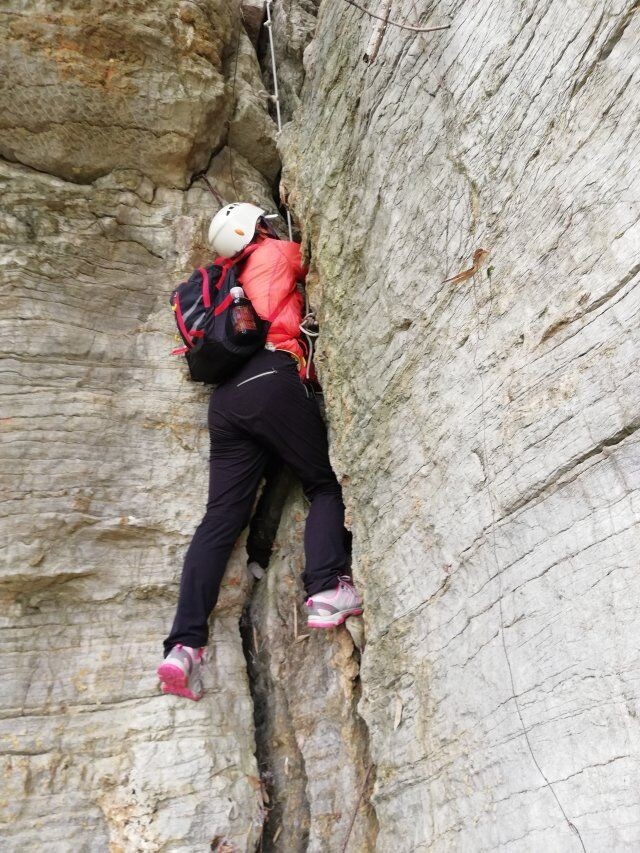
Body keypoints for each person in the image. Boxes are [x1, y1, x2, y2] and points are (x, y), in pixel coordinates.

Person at [157, 202, 363, 701]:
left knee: (219, 522)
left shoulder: (224, 284)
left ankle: (183, 647)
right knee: (321, 484)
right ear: (256, 229)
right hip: (271, 375)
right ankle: (325, 591)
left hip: (226, 403)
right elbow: (318, 255)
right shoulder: (273, 252)